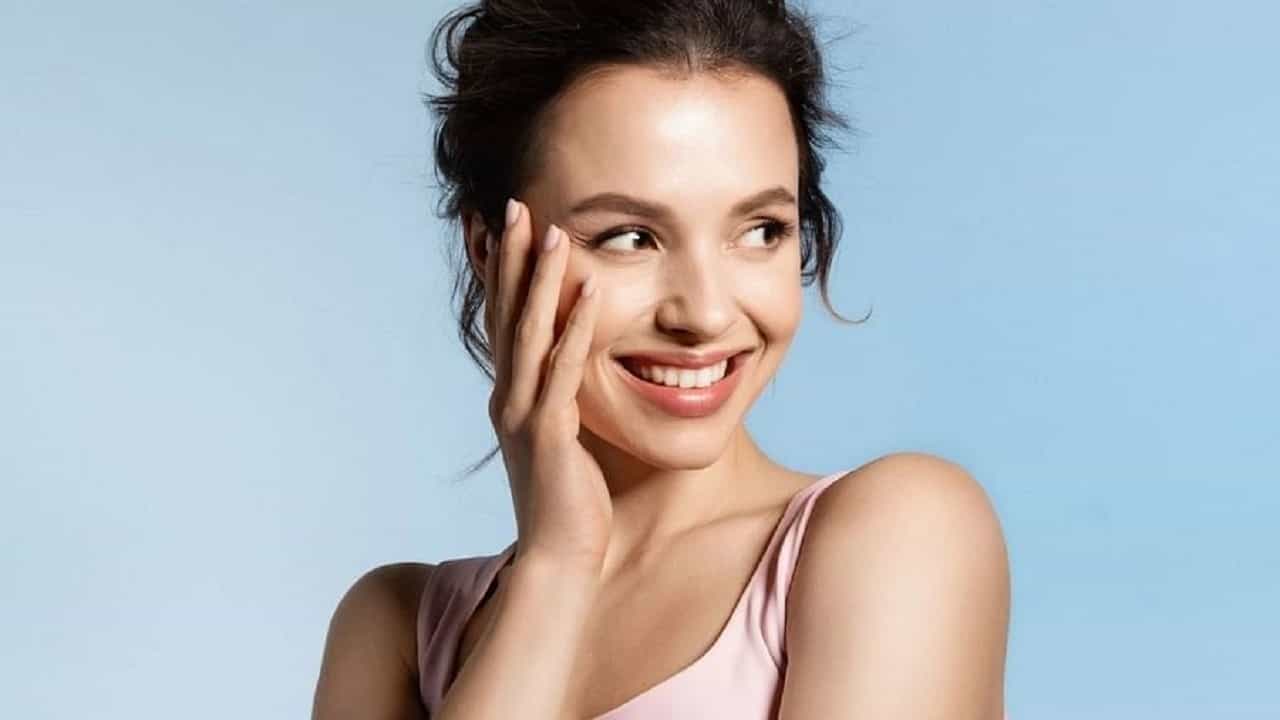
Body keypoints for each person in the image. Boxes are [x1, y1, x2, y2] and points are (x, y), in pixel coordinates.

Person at [312, 1, 1010, 718]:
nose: (704, 314)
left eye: (761, 229)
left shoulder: (900, 535)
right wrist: (556, 567)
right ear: (491, 251)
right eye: (629, 238)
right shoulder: (398, 627)